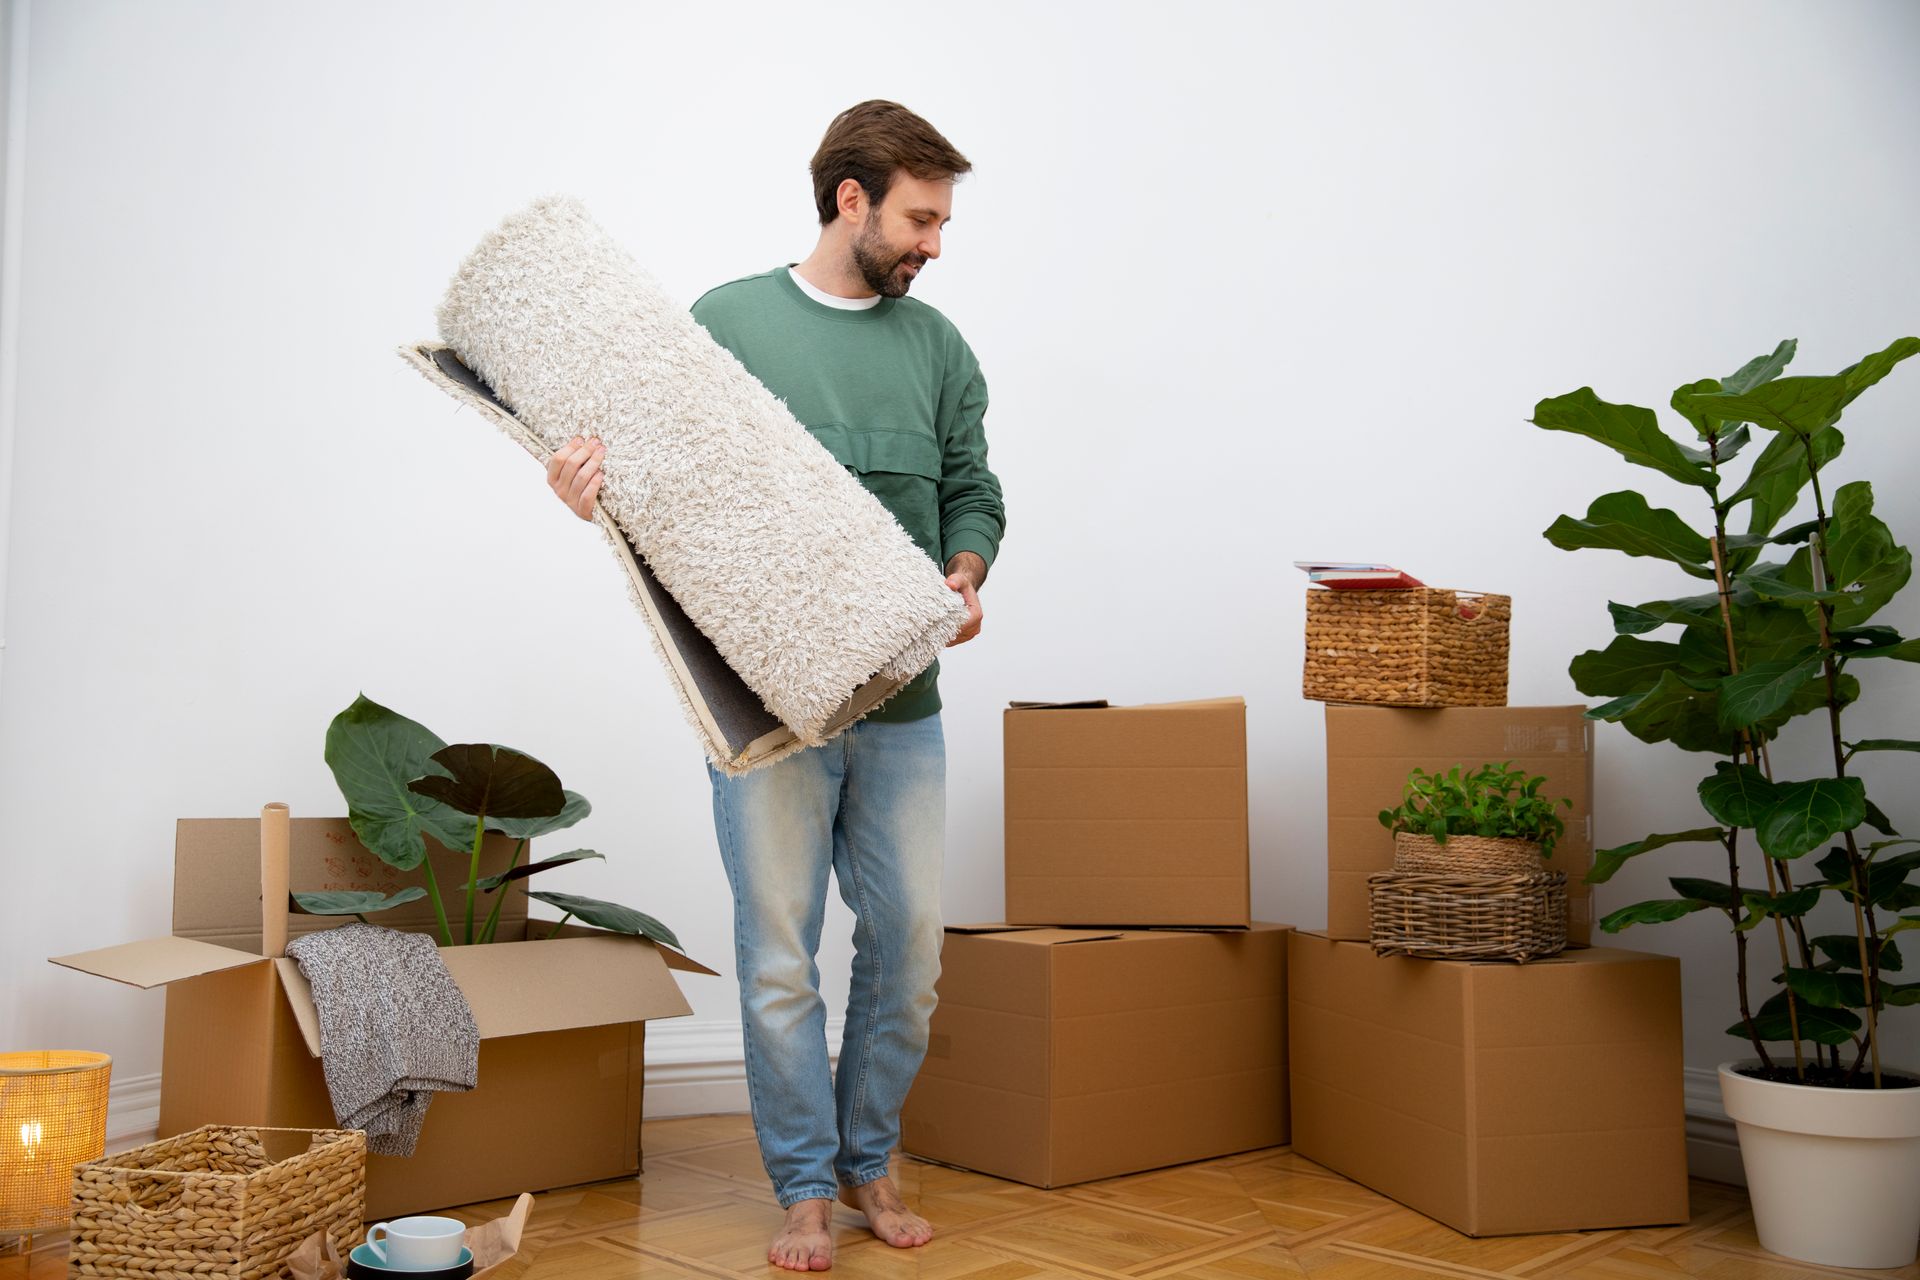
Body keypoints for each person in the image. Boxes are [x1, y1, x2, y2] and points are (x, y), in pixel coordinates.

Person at [544, 100, 1004, 1272]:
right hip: (763, 709)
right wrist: (589, 490)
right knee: (780, 954)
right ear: (851, 200)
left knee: (908, 946)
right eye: (920, 218)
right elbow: (656, 483)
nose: (935, 243)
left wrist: (966, 562)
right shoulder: (728, 322)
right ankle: (804, 1187)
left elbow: (973, 484)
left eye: (943, 222)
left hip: (902, 703)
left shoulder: (940, 347)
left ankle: (867, 1158)